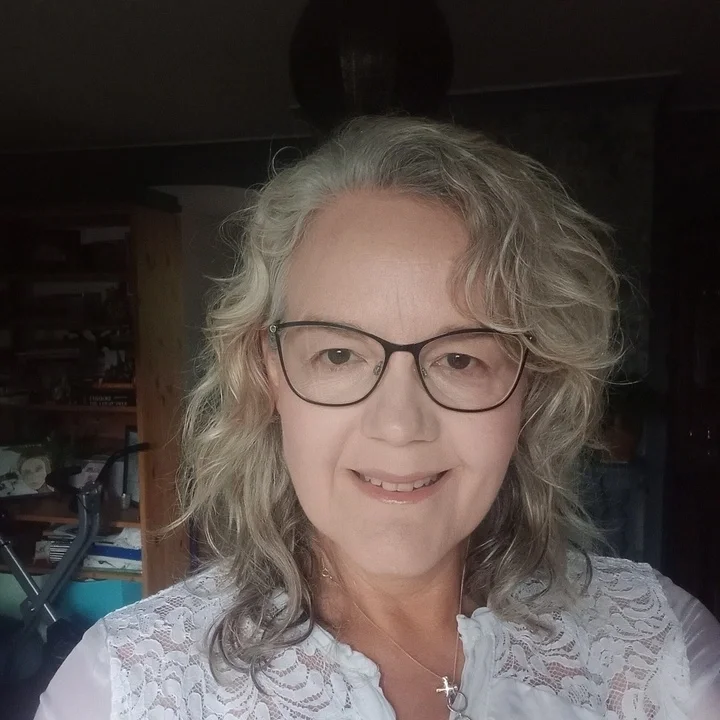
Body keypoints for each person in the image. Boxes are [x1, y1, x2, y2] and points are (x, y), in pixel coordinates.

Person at [35, 116, 720, 720]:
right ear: (269, 374)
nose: (399, 424)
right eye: (338, 354)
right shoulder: (122, 692)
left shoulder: (660, 652)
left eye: (460, 358)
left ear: (530, 387)